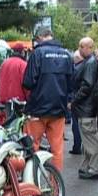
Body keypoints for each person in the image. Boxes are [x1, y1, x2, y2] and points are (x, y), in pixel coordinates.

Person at [23, 28, 73, 172]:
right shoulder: (67, 54)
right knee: (57, 147)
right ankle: (55, 181)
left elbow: (28, 82)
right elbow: (72, 83)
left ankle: (32, 178)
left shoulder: (37, 53)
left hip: (37, 108)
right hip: (59, 109)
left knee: (32, 145)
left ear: (39, 37)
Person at [71, 37, 98, 180]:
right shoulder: (91, 62)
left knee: (90, 140)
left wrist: (74, 101)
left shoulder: (90, 63)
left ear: (89, 47)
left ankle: (95, 169)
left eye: (81, 46)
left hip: (86, 108)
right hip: (87, 107)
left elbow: (87, 86)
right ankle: (89, 166)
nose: (79, 48)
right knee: (88, 140)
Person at [0, 43, 29, 116]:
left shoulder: (4, 63)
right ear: (22, 52)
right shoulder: (23, 64)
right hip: (18, 103)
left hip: (3, 101)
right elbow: (26, 84)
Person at [68, 50, 84, 155]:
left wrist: (71, 101)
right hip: (84, 102)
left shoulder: (76, 69)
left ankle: (77, 146)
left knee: (76, 125)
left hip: (76, 100)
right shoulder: (86, 67)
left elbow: (71, 86)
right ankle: (79, 146)